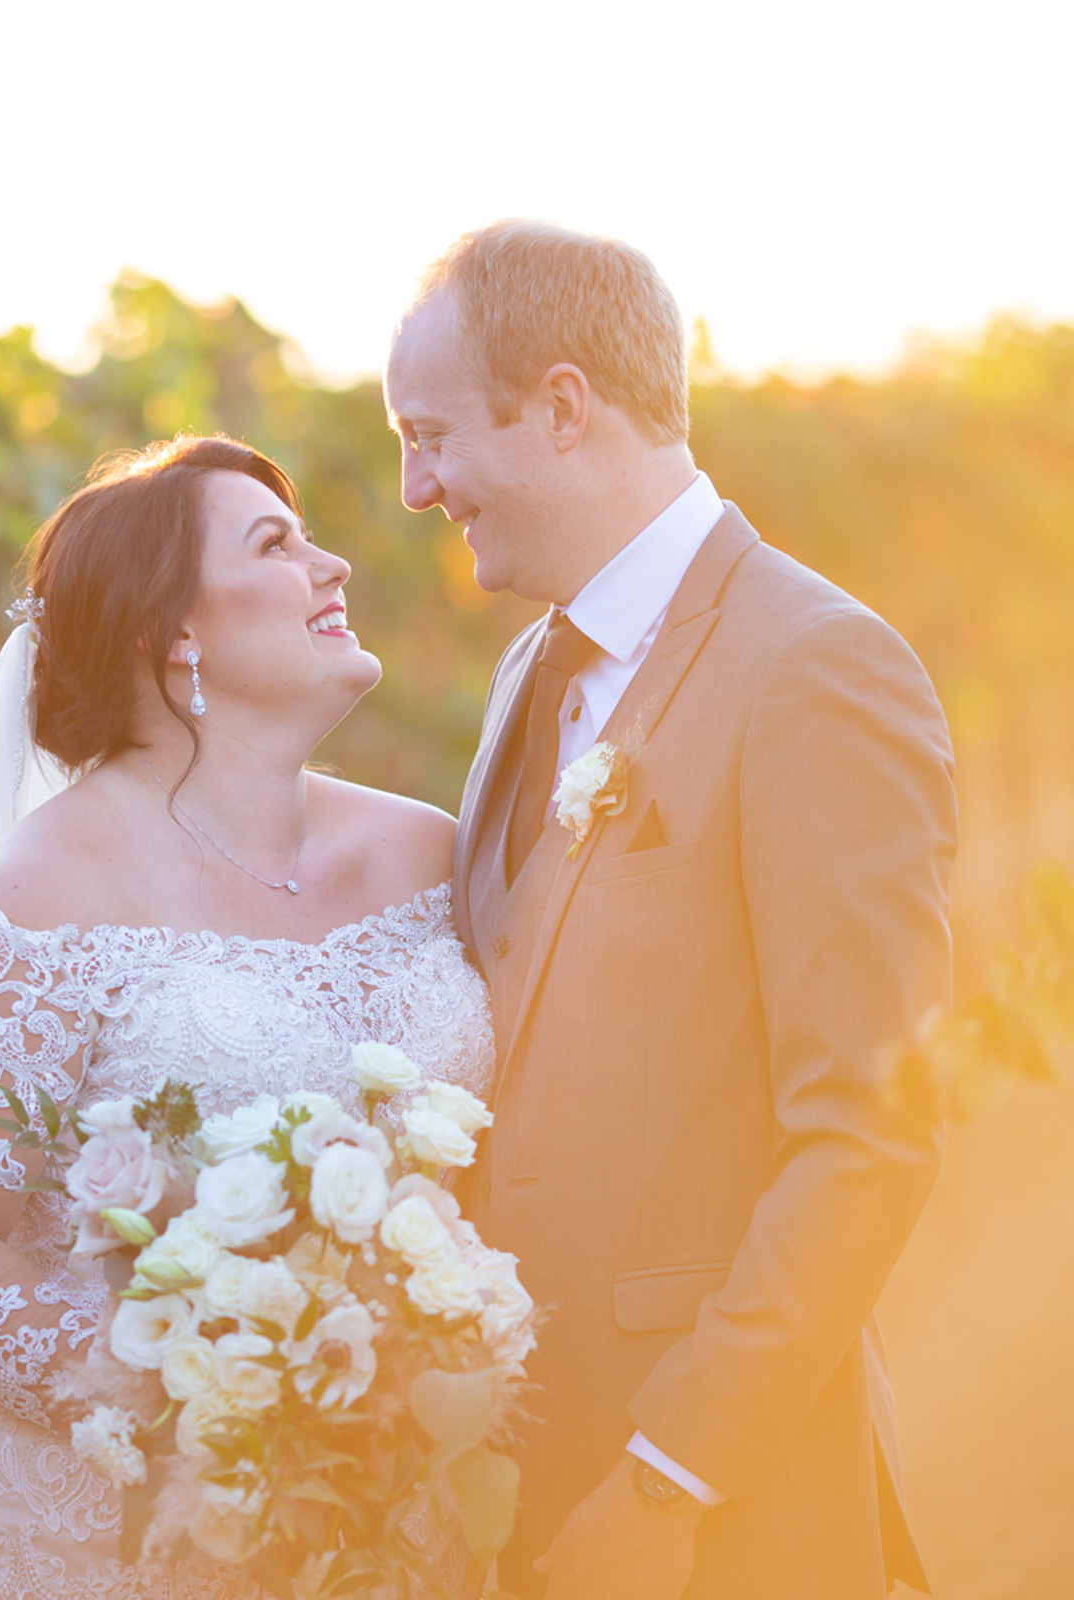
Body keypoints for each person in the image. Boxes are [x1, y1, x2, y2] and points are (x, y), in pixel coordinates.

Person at [384, 221, 957, 1600]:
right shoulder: (534, 668)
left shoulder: (817, 667)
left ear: (566, 407)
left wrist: (668, 1484)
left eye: (431, 434)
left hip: (719, 1519)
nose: (413, 488)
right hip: (517, 1488)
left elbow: (866, 1135)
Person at [0, 435, 495, 1600]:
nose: (335, 563)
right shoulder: (39, 902)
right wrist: (196, 1401)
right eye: (275, 544)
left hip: (399, 1512)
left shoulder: (427, 851)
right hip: (121, 1536)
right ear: (172, 633)